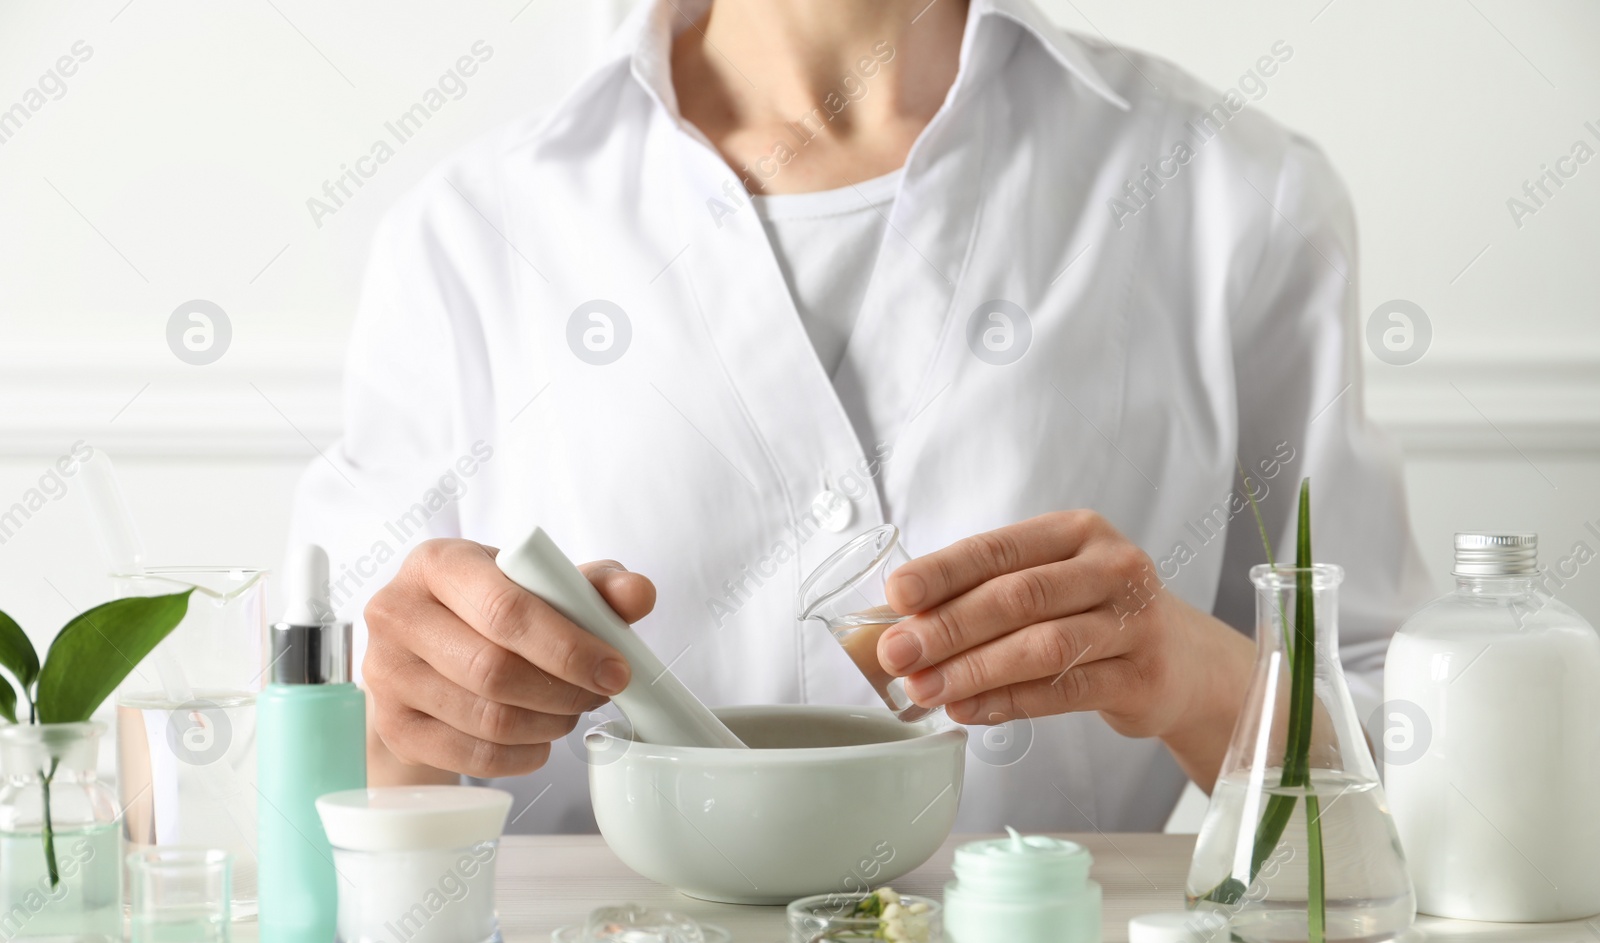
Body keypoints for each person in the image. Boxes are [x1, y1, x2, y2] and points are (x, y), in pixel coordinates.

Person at [288, 0, 1431, 833]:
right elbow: (284, 777)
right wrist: (396, 733)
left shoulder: (1233, 194)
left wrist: (1195, 677)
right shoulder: (470, 230)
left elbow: (1415, 747)